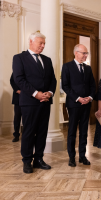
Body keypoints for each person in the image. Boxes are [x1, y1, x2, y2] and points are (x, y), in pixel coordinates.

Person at [13, 32, 57, 174]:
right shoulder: (19, 58)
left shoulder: (47, 60)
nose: (43, 46)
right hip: (29, 102)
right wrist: (35, 94)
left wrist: (49, 93)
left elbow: (53, 80)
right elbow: (19, 79)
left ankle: (39, 159)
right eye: (40, 43)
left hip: (45, 101)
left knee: (42, 132)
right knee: (29, 132)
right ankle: (27, 161)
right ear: (31, 42)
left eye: (44, 43)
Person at [61, 44, 96, 167]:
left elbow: (93, 85)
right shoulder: (67, 67)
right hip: (73, 104)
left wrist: (90, 97)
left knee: (84, 131)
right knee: (72, 131)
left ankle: (82, 156)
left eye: (86, 53)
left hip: (86, 104)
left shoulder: (88, 68)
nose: (86, 55)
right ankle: (71, 157)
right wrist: (78, 98)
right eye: (84, 53)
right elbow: (65, 86)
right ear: (76, 53)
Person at [10, 73, 22, 142]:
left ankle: (28, 135)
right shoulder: (17, 69)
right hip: (17, 97)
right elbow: (12, 80)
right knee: (17, 117)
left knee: (27, 117)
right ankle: (16, 135)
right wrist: (17, 90)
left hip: (28, 96)